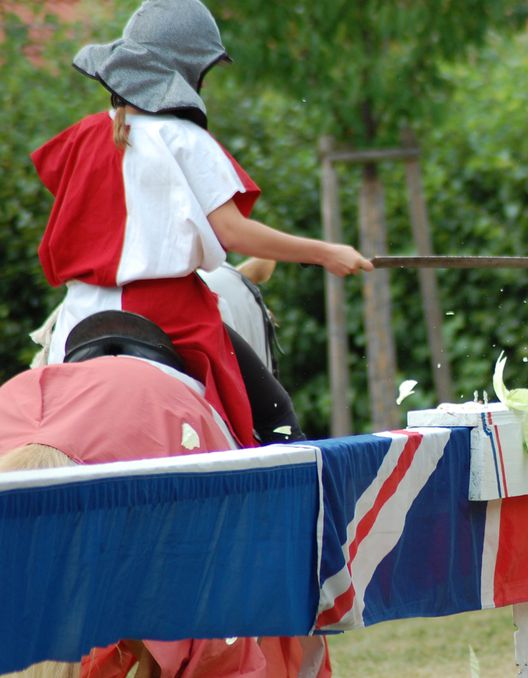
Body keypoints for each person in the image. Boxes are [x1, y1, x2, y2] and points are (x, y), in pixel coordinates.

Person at [30, 0, 373, 448]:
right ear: (191, 72)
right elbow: (232, 233)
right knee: (278, 422)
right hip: (170, 318)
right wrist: (326, 252)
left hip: (78, 317)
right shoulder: (185, 139)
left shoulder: (81, 136)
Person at [0, 357, 331, 678]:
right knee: (271, 416)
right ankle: (285, 454)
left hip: (70, 343)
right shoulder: (208, 300)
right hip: (169, 336)